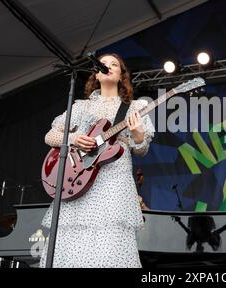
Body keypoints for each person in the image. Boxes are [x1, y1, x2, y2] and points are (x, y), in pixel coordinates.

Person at [40, 53, 154, 268]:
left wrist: (138, 134)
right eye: (104, 65)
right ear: (97, 75)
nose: (109, 67)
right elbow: (50, 136)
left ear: (121, 75)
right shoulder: (82, 107)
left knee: (110, 238)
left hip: (114, 180)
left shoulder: (134, 107)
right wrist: (74, 138)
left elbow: (141, 150)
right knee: (72, 237)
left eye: (114, 65)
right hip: (79, 178)